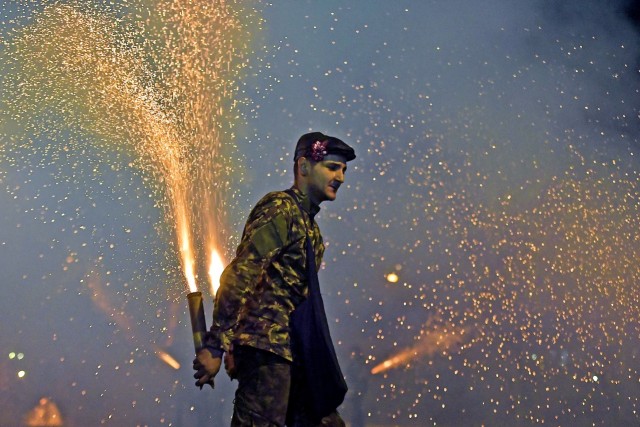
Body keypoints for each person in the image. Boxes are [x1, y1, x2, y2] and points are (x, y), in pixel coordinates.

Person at [193, 132, 356, 427]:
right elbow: (242, 273)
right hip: (266, 352)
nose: (341, 177)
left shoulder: (312, 233)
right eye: (332, 167)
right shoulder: (281, 209)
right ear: (304, 167)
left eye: (343, 170)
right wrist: (217, 344)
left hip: (294, 357)